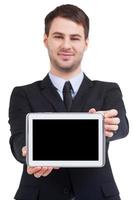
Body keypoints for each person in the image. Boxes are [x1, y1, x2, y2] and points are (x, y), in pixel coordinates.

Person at [8, 4, 129, 200]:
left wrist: (108, 125)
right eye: (58, 36)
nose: (66, 45)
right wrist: (27, 152)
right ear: (46, 40)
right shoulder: (23, 93)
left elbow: (122, 126)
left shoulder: (108, 89)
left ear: (86, 43)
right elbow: (18, 137)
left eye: (74, 38)